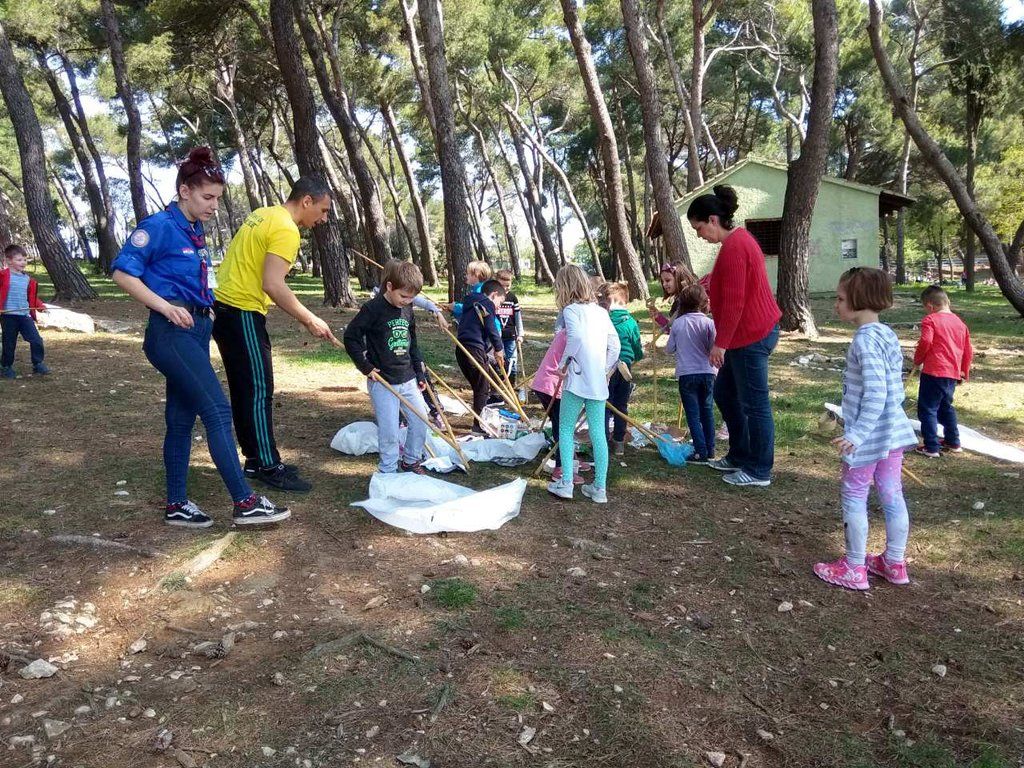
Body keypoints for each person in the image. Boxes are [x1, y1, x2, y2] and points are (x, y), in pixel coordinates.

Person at [111, 147, 290, 529]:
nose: (214, 206)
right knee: (218, 411)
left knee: (180, 419)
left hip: (194, 332)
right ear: (184, 192)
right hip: (171, 333)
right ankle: (245, 502)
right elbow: (123, 273)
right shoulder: (158, 227)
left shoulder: (194, 231)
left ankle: (176, 504)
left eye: (217, 199)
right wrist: (163, 306)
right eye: (208, 197)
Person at [212, 177, 340, 493]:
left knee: (246, 390)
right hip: (241, 311)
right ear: (306, 200)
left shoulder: (263, 213)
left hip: (224, 309)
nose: (322, 220)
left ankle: (255, 459)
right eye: (322, 211)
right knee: (258, 390)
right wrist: (310, 318)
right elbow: (273, 283)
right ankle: (269, 465)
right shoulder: (286, 228)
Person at [813, 268, 916, 590]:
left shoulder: (865, 342)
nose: (836, 305)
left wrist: (856, 434)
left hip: (868, 438)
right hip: (892, 431)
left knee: (854, 495)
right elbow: (895, 391)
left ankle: (854, 567)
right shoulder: (887, 334)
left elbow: (877, 392)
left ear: (860, 300)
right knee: (892, 494)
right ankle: (894, 563)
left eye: (841, 299)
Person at [687, 185, 781, 488]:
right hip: (743, 337)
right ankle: (739, 454)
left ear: (713, 220)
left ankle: (759, 470)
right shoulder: (733, 245)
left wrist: (720, 344)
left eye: (700, 228)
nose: (700, 235)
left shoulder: (736, 246)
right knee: (726, 393)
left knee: (756, 405)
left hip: (752, 335)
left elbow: (737, 301)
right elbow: (728, 285)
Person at [343, 260, 430, 475]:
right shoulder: (373, 309)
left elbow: (413, 344)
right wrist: (365, 367)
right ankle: (388, 470)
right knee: (390, 430)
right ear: (389, 287)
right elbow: (351, 337)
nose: (407, 301)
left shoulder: (408, 308)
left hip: (408, 377)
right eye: (403, 296)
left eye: (411, 297)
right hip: (382, 381)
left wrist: (419, 373)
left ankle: (410, 460)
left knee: (421, 420)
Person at [547, 265, 620, 504]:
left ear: (564, 287)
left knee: (566, 429)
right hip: (597, 381)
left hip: (577, 379)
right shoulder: (601, 312)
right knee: (598, 433)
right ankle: (599, 488)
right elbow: (615, 345)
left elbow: (576, 337)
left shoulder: (571, 310)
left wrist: (564, 364)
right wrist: (605, 370)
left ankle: (566, 482)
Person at [912, 285, 973, 458]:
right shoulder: (960, 323)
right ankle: (953, 442)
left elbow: (926, 341)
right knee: (946, 407)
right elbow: (968, 350)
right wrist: (963, 371)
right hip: (951, 373)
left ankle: (931, 446)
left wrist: (918, 359)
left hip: (933, 371)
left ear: (930, 306)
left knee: (928, 409)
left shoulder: (930, 320)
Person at [665, 283, 717, 464]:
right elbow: (713, 347)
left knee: (693, 415)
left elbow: (669, 349)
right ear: (703, 302)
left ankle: (700, 451)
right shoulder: (709, 322)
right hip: (708, 372)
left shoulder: (679, 323)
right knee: (707, 411)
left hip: (687, 374)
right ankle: (710, 450)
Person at [455, 278, 506, 434]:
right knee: (482, 388)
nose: (498, 307)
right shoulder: (486, 303)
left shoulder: (471, 301)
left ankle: (480, 421)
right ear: (494, 294)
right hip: (474, 349)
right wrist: (499, 348)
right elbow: (490, 326)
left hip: (461, 348)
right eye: (500, 302)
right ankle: (479, 426)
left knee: (480, 386)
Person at [599, 282, 643, 456]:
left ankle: (602, 439)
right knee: (621, 404)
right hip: (625, 367)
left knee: (604, 403)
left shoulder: (603, 320)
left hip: (606, 366)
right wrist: (636, 356)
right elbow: (636, 345)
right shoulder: (631, 322)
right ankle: (618, 441)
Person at [1, 245, 50, 378]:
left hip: (24, 316)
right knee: (9, 343)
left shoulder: (27, 279)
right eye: (19, 260)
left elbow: (31, 297)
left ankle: (38, 364)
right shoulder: (3, 276)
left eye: (24, 260)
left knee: (36, 340)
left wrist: (41, 306)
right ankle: (6, 367)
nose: (23, 262)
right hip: (8, 316)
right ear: (9, 261)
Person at [645, 260, 696, 333]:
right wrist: (658, 317)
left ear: (679, 279)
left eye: (667, 280)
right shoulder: (680, 300)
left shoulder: (687, 302)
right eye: (663, 281)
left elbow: (674, 329)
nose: (664, 284)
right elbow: (672, 329)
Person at [495, 269, 524, 390]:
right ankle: (498, 383)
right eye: (502, 286)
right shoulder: (493, 298)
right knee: (498, 359)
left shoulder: (513, 298)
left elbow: (518, 317)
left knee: (512, 359)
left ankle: (512, 384)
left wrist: (520, 333)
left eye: (508, 285)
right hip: (497, 336)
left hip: (511, 336)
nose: (505, 288)